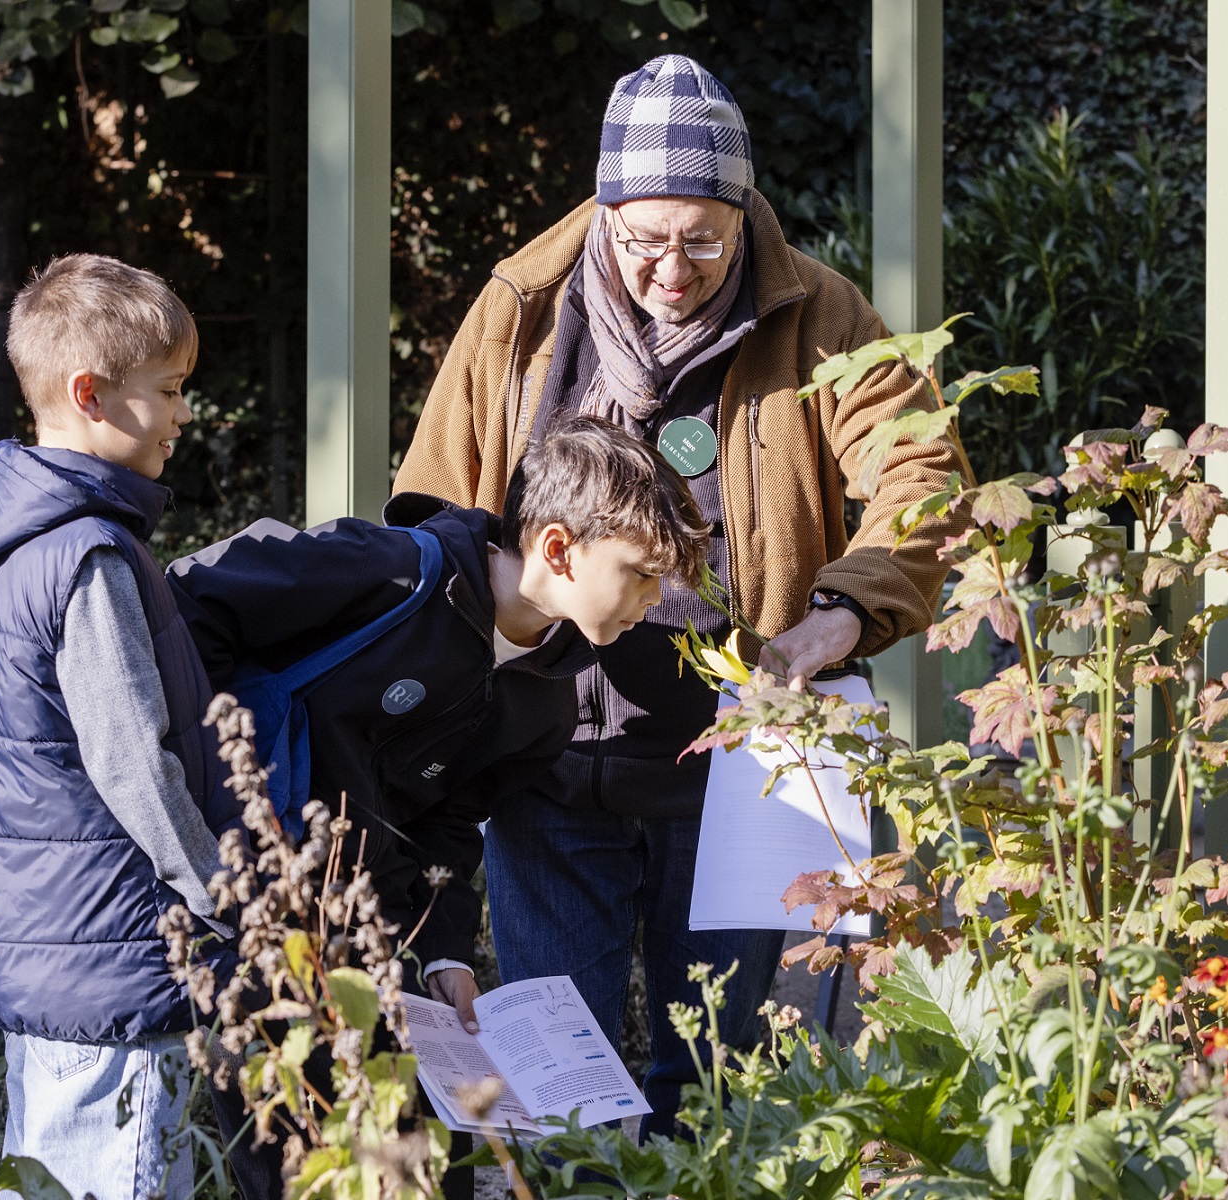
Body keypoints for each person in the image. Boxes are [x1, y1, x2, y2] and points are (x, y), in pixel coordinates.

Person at [394, 54, 972, 1136]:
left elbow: (925, 476)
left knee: (710, 1076)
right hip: (543, 759)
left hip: (733, 766)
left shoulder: (820, 313)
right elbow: (432, 504)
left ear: (745, 214)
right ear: (606, 211)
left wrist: (842, 612)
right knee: (557, 1082)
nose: (672, 269)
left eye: (704, 242)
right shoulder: (521, 311)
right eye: (645, 240)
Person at [165, 415, 709, 1198]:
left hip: (384, 948)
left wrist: (449, 954)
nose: (655, 601)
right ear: (558, 548)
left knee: (432, 1176)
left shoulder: (550, 702)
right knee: (300, 1173)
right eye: (641, 573)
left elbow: (454, 823)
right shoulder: (385, 570)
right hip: (259, 922)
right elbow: (187, 605)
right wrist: (213, 792)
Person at [0, 254, 240, 1200]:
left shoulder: (17, 545)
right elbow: (132, 763)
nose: (185, 414)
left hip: (53, 948)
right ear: (91, 394)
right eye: (171, 389)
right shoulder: (87, 557)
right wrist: (223, 898)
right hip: (114, 954)